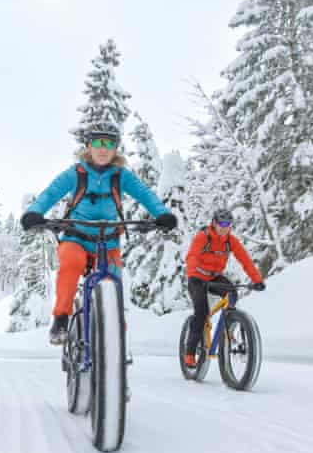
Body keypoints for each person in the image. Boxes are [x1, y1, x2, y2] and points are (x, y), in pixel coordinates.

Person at [20, 121, 177, 344]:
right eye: (98, 142)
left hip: (108, 241)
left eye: (109, 143)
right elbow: (51, 192)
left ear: (116, 148)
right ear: (88, 146)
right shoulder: (76, 173)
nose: (103, 148)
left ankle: (114, 332)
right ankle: (61, 319)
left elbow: (144, 194)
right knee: (71, 264)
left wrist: (162, 214)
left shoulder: (121, 175)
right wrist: (34, 212)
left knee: (113, 282)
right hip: (76, 237)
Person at [183, 208, 264, 368]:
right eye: (221, 224)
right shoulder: (203, 237)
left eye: (228, 224)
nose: (224, 227)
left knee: (232, 292)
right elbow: (191, 257)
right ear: (214, 223)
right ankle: (190, 352)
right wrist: (194, 276)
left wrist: (257, 280)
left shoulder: (230, 241)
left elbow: (245, 260)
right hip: (197, 278)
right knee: (201, 312)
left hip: (214, 277)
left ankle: (229, 325)